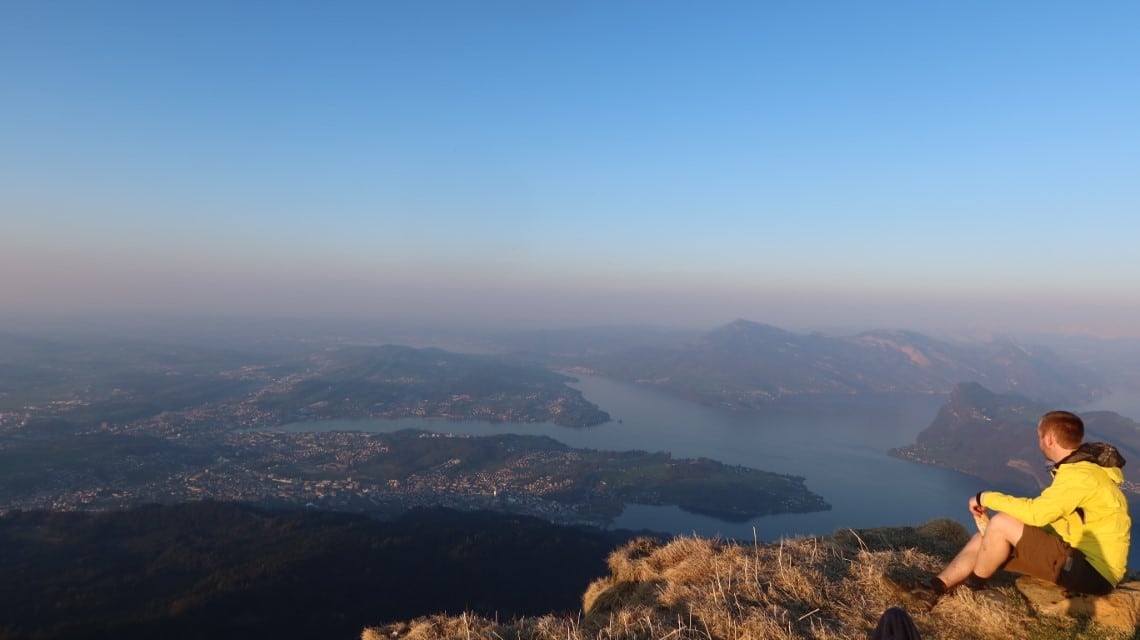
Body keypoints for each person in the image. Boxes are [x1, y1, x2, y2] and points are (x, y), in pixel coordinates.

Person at [915, 410, 1131, 605]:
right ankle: (932, 590)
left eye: (1039, 436)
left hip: (1092, 572)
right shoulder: (1080, 470)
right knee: (985, 535)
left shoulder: (1080, 477)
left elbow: (1036, 514)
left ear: (1049, 439)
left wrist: (984, 498)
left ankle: (974, 588)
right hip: (1077, 557)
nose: (1039, 442)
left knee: (1000, 523)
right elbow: (1055, 521)